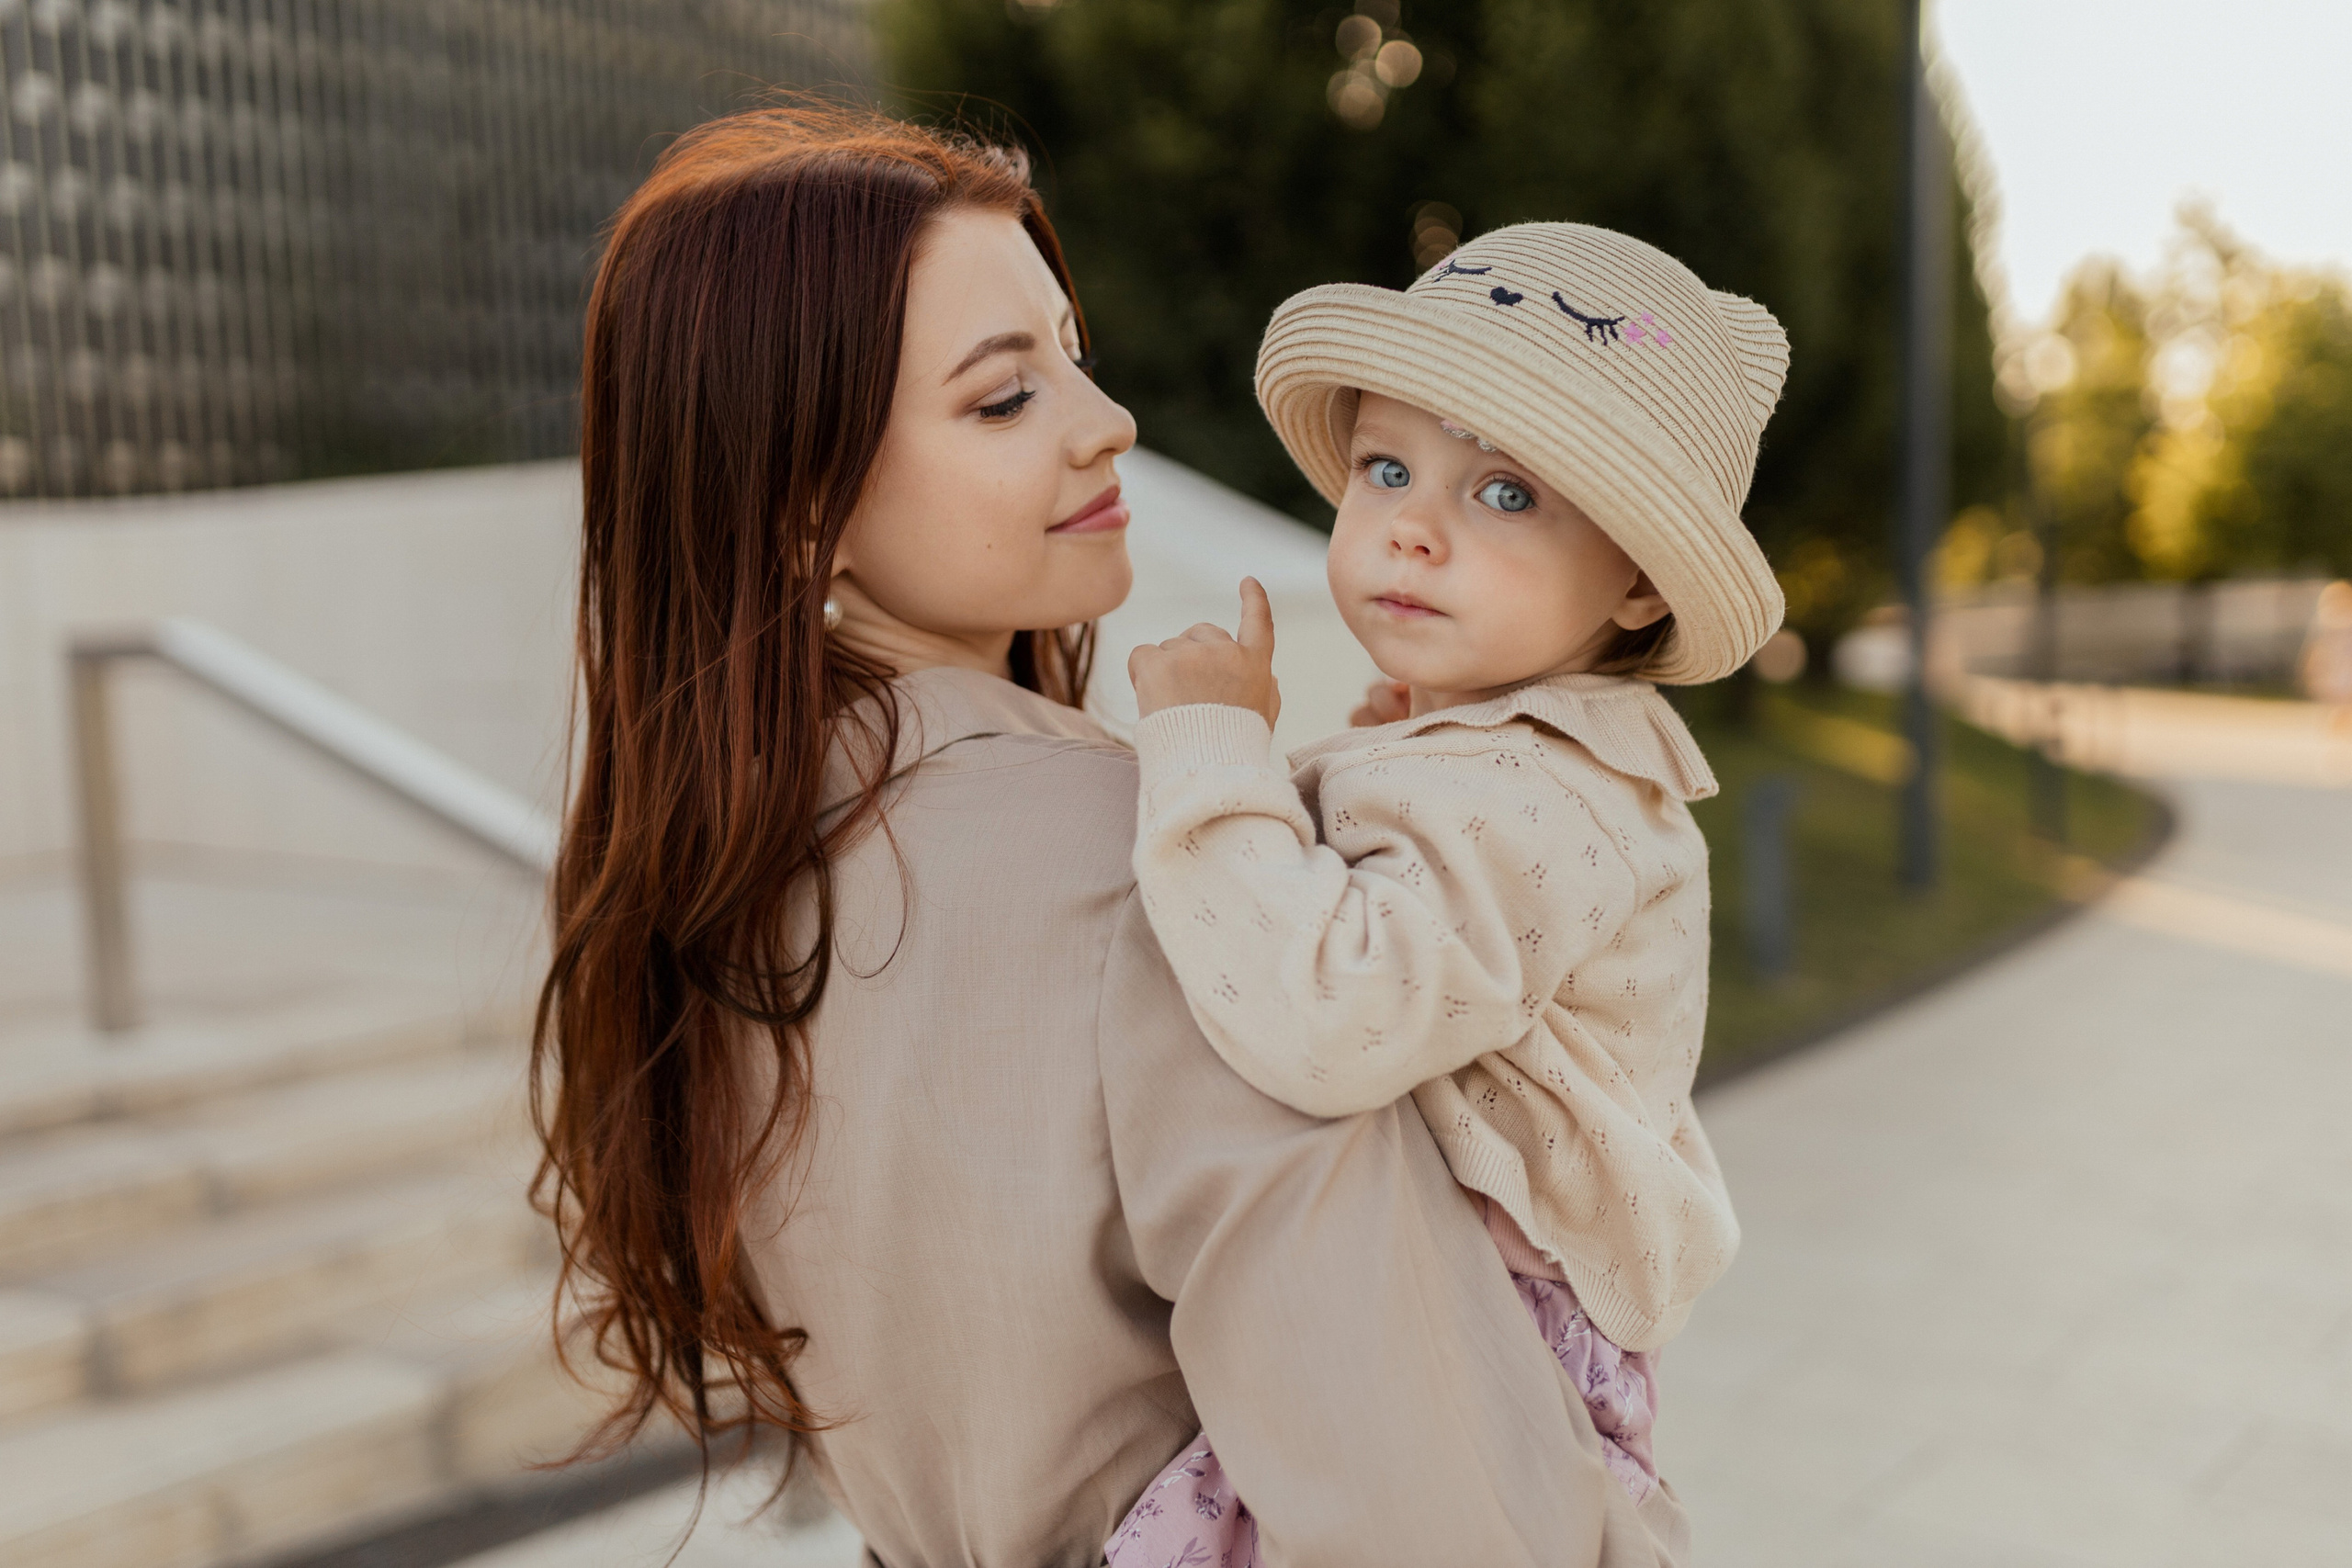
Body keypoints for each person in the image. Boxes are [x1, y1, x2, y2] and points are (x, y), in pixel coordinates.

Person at [531, 109, 1686, 1567]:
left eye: (1071, 349)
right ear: (795, 501)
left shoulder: (716, 903)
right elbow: (1444, 1519)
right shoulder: (1164, 870)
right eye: (1006, 397)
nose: (1108, 419)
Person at [1110, 223, 1791, 1563]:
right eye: (1387, 468)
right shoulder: (1515, 765)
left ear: (1644, 581)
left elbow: (1328, 1016)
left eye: (1507, 495)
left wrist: (1212, 748)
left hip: (1478, 1338)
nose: (1413, 529)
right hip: (1435, 1291)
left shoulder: (1535, 797)